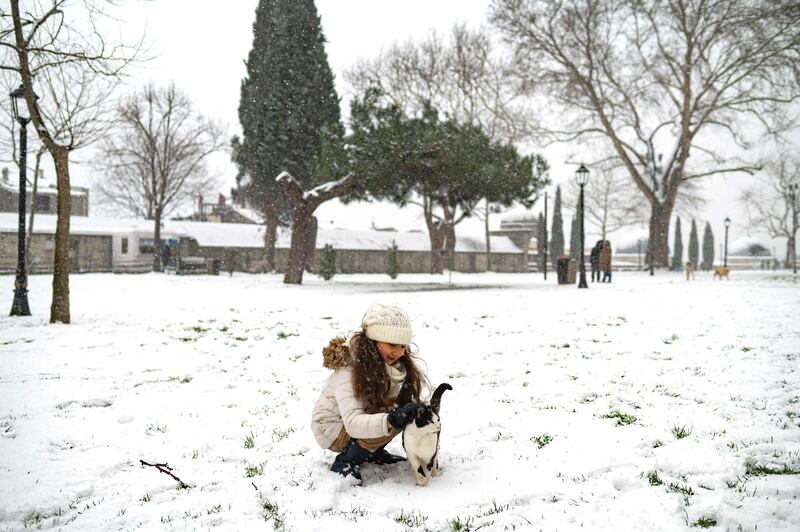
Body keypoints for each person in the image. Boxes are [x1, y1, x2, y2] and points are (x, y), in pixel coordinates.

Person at [311, 303, 429, 484]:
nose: (398, 352)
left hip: (354, 420)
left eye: (403, 346)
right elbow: (352, 423)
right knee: (391, 420)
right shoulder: (349, 368)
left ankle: (374, 452)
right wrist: (391, 420)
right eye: (392, 344)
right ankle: (346, 462)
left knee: (402, 412)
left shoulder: (390, 366)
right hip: (331, 427)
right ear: (374, 340)